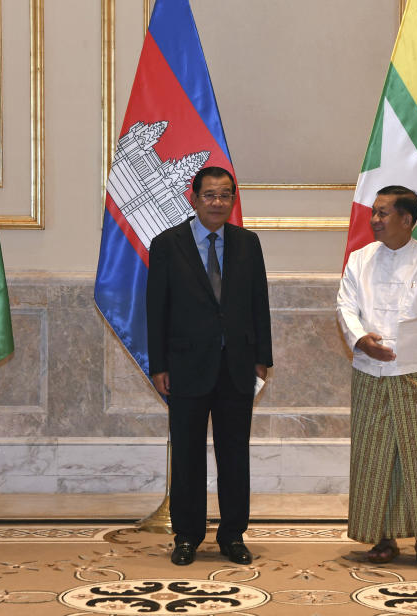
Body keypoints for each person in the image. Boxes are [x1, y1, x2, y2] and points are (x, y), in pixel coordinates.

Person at [146, 166, 273, 566]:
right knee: (187, 454)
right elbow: (156, 309)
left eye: (225, 196)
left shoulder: (247, 243)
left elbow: (259, 303)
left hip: (237, 366)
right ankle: (187, 536)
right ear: (193, 198)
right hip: (185, 366)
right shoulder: (167, 244)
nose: (217, 203)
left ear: (233, 201)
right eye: (209, 196)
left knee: (235, 453)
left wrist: (262, 359)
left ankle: (233, 535)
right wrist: (159, 364)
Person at [336, 185, 417, 570]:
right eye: (374, 212)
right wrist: (360, 339)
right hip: (369, 372)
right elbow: (345, 305)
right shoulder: (359, 259)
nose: (374, 220)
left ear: (407, 220)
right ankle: (383, 539)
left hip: (415, 374)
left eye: (383, 213)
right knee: (374, 458)